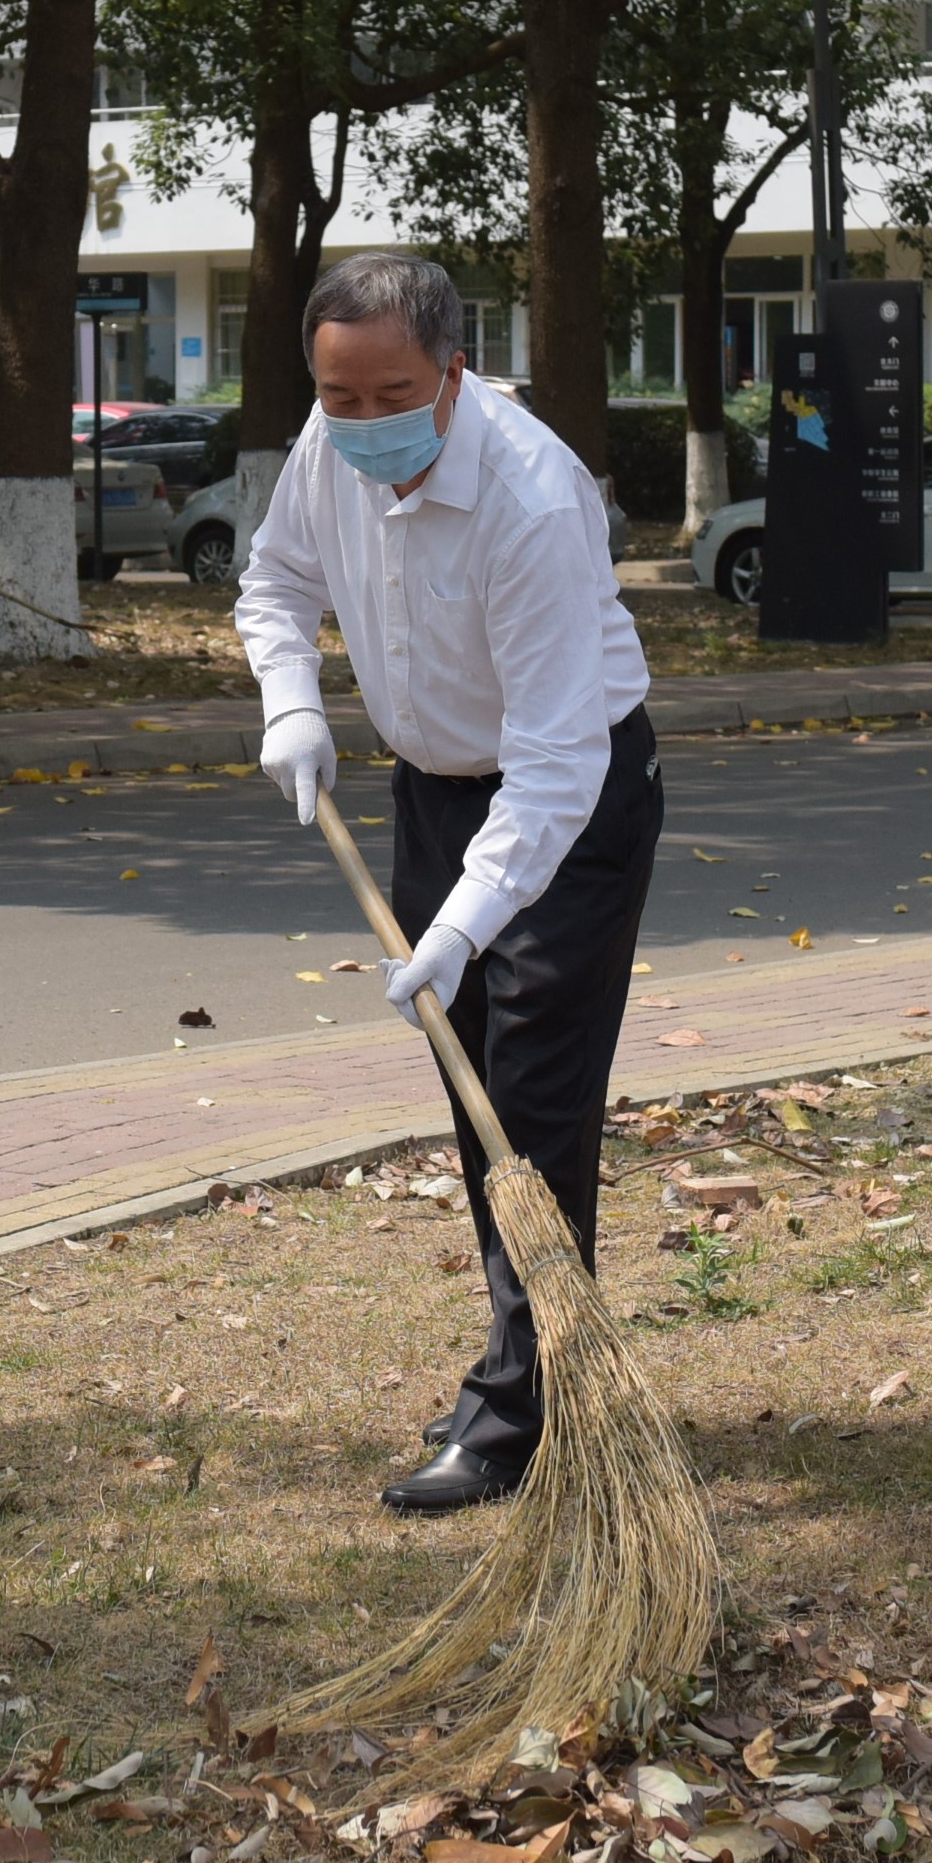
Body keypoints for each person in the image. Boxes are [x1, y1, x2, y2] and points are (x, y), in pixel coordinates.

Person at [233, 251, 659, 1514]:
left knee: (529, 1097)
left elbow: (556, 764)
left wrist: (469, 921)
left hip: (568, 802)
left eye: (391, 396)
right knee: (472, 1087)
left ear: (453, 373)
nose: (362, 422)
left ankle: (514, 1417)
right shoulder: (327, 446)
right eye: (338, 397)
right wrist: (292, 702)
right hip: (431, 788)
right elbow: (277, 579)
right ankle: (544, 1372)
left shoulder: (531, 496)